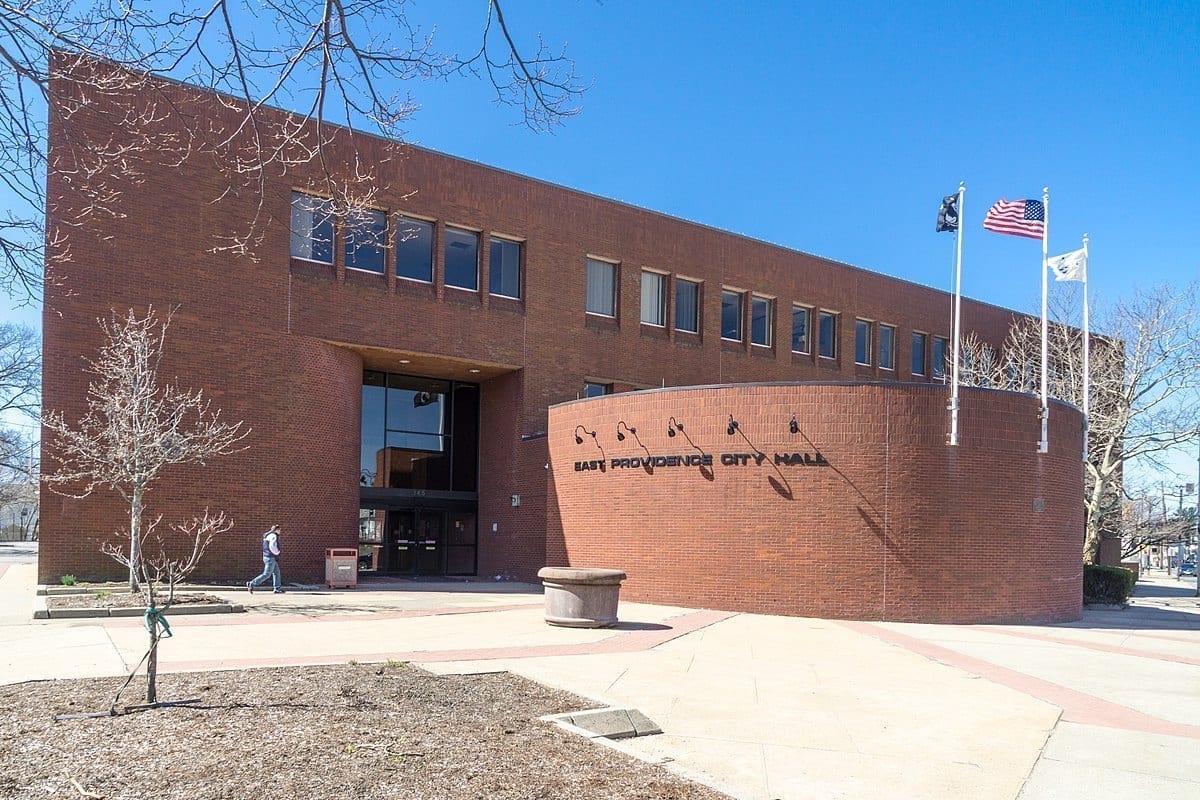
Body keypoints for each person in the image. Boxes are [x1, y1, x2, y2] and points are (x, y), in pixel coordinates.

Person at [247, 524, 284, 594]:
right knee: (267, 574)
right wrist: (277, 552)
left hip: (267, 556)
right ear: (276, 530)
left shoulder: (268, 535)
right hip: (270, 557)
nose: (280, 531)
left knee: (276, 573)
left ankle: (277, 588)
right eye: (279, 530)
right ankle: (252, 583)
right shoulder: (273, 536)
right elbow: (272, 546)